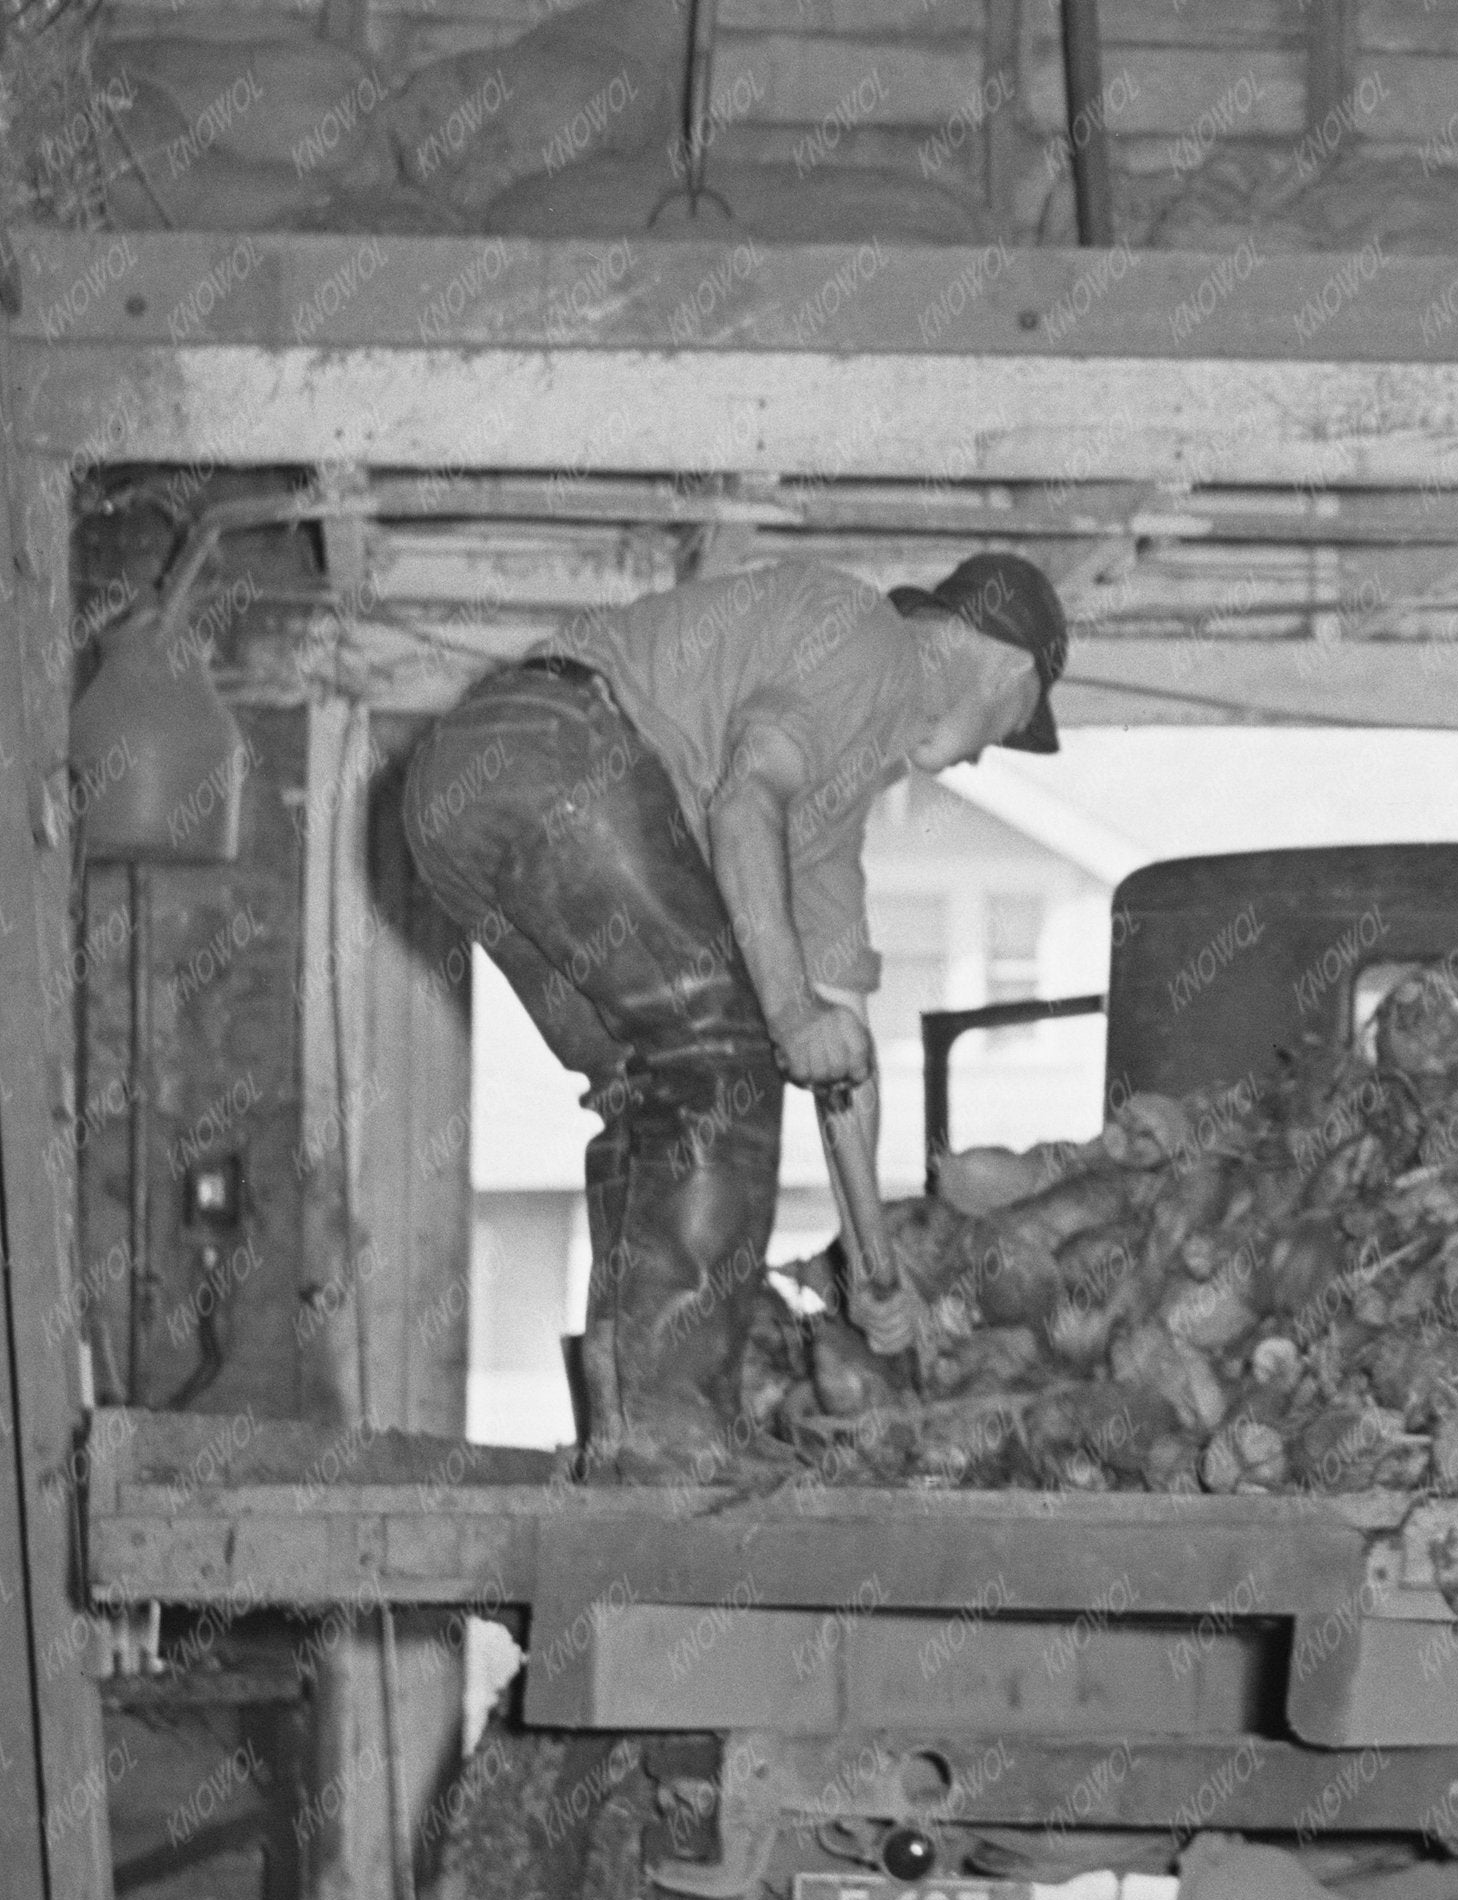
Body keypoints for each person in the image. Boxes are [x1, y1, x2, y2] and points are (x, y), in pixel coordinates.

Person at [396, 550, 1067, 1471]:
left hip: (460, 795)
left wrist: (875, 1268)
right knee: (724, 1056)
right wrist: (788, 1012)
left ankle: (631, 1427)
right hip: (553, 746)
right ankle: (675, 1433)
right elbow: (745, 801)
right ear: (1007, 663)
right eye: (1020, 721)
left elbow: (844, 1053)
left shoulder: (831, 813)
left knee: (656, 1083)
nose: (996, 747)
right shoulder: (869, 643)